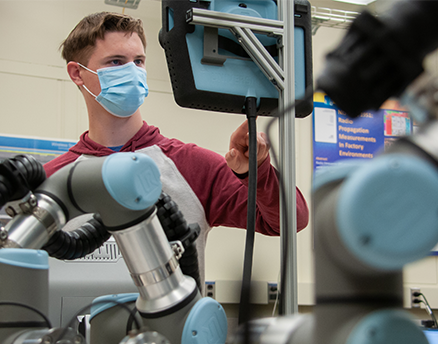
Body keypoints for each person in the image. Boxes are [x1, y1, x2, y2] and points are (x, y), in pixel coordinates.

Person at [43, 11, 309, 286]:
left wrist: (259, 172)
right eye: (116, 62)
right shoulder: (53, 180)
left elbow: (292, 220)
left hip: (176, 327)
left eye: (139, 61)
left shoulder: (192, 166)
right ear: (77, 73)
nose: (132, 72)